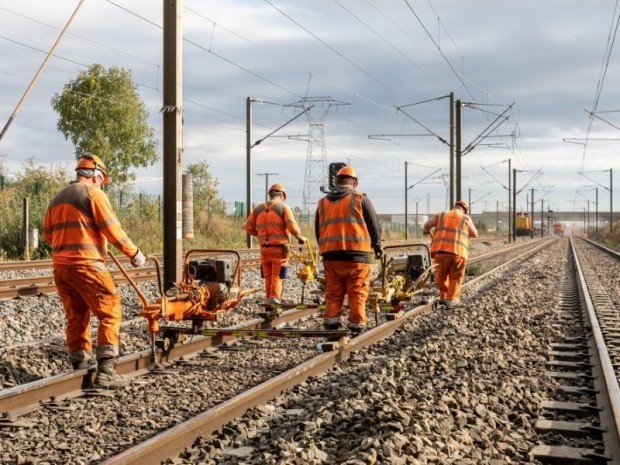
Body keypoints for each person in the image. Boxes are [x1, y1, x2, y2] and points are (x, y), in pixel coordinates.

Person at [43, 154, 145, 389]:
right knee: (110, 309)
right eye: (101, 180)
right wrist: (134, 253)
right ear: (97, 176)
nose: (101, 184)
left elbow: (49, 235)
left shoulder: (57, 198)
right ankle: (107, 371)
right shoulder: (93, 194)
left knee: (76, 316)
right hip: (87, 265)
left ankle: (79, 367)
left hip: (61, 267)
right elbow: (111, 229)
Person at [315, 166, 383, 335]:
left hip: (331, 257)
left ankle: (331, 323)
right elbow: (374, 225)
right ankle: (356, 324)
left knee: (333, 291)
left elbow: (318, 229)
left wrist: (325, 249)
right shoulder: (360, 199)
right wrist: (377, 245)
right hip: (357, 256)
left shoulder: (322, 203)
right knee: (357, 291)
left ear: (336, 182)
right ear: (355, 183)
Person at [245, 183, 306, 304]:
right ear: (282, 196)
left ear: (270, 195)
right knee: (277, 276)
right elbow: (292, 226)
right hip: (279, 249)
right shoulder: (283, 208)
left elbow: (248, 227)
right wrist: (300, 237)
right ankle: (274, 300)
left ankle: (269, 300)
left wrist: (261, 235)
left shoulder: (258, 209)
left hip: (264, 249)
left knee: (268, 276)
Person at [422, 199, 478, 308]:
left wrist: (426, 231)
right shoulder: (465, 218)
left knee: (441, 276)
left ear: (454, 206)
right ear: (465, 210)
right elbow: (474, 234)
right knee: (456, 276)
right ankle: (451, 299)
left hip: (440, 251)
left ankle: (443, 296)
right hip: (458, 252)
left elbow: (427, 225)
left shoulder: (441, 215)